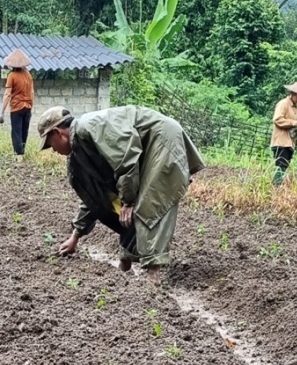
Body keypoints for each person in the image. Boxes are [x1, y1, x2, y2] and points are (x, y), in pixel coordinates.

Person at [37, 105, 205, 284]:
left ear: (58, 132)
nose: (52, 150)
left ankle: (153, 281)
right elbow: (94, 195)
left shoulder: (90, 128)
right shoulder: (79, 150)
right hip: (145, 149)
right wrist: (75, 235)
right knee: (122, 208)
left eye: (50, 144)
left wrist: (128, 201)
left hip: (161, 141)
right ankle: (124, 269)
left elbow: (126, 160)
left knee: (150, 205)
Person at [270, 80, 297, 185]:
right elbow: (277, 119)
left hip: (291, 141)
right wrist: (293, 123)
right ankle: (276, 186)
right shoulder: (283, 104)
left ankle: (277, 186)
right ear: (293, 93)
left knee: (285, 165)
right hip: (281, 141)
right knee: (281, 165)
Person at [0, 49, 35, 160]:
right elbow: (32, 92)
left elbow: (7, 94)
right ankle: (22, 152)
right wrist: (31, 106)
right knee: (24, 131)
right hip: (27, 107)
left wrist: (2, 112)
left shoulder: (12, 76)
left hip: (16, 108)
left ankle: (19, 156)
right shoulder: (28, 75)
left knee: (16, 132)